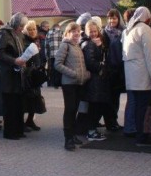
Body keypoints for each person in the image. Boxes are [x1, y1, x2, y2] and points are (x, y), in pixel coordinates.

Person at [122, 7, 151, 147]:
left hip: (133, 77)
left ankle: (141, 135)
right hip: (143, 76)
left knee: (138, 107)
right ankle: (143, 137)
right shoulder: (145, 30)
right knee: (145, 108)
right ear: (146, 17)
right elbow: (150, 54)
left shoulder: (130, 30)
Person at [0, 13, 28, 140]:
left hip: (18, 74)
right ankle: (9, 132)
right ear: (15, 24)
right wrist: (14, 61)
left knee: (19, 104)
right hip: (7, 74)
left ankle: (19, 130)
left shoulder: (19, 34)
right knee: (10, 104)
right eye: (21, 26)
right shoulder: (3, 33)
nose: (21, 28)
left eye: (23, 26)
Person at [55, 22, 88, 151]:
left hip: (79, 83)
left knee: (74, 109)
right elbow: (57, 64)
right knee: (69, 110)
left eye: (78, 31)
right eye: (73, 31)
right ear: (68, 33)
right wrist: (73, 74)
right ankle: (68, 139)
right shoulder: (65, 46)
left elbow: (81, 64)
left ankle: (73, 135)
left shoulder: (77, 46)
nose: (76, 33)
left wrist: (85, 74)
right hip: (69, 83)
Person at [81, 20, 110, 142]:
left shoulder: (97, 43)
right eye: (90, 31)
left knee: (96, 106)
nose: (93, 33)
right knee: (94, 106)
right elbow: (90, 63)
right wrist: (102, 66)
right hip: (94, 80)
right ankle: (91, 132)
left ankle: (91, 130)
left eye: (94, 31)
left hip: (97, 80)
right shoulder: (89, 44)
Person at [103, 9, 125, 131]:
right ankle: (110, 122)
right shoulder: (104, 33)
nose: (112, 21)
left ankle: (114, 120)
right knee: (109, 98)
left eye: (114, 18)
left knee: (116, 97)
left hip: (119, 69)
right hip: (109, 70)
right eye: (110, 18)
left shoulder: (123, 32)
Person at [22, 20, 43, 132]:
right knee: (26, 100)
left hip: (35, 73)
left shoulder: (36, 40)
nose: (32, 31)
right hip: (27, 74)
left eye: (34, 28)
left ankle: (30, 120)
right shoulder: (24, 41)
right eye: (29, 29)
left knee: (35, 99)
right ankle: (22, 123)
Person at [45, 22, 63, 88]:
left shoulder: (48, 34)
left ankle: (52, 83)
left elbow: (46, 46)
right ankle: (59, 83)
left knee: (52, 69)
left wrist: (47, 56)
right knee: (60, 69)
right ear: (59, 27)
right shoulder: (62, 33)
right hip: (61, 55)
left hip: (52, 56)